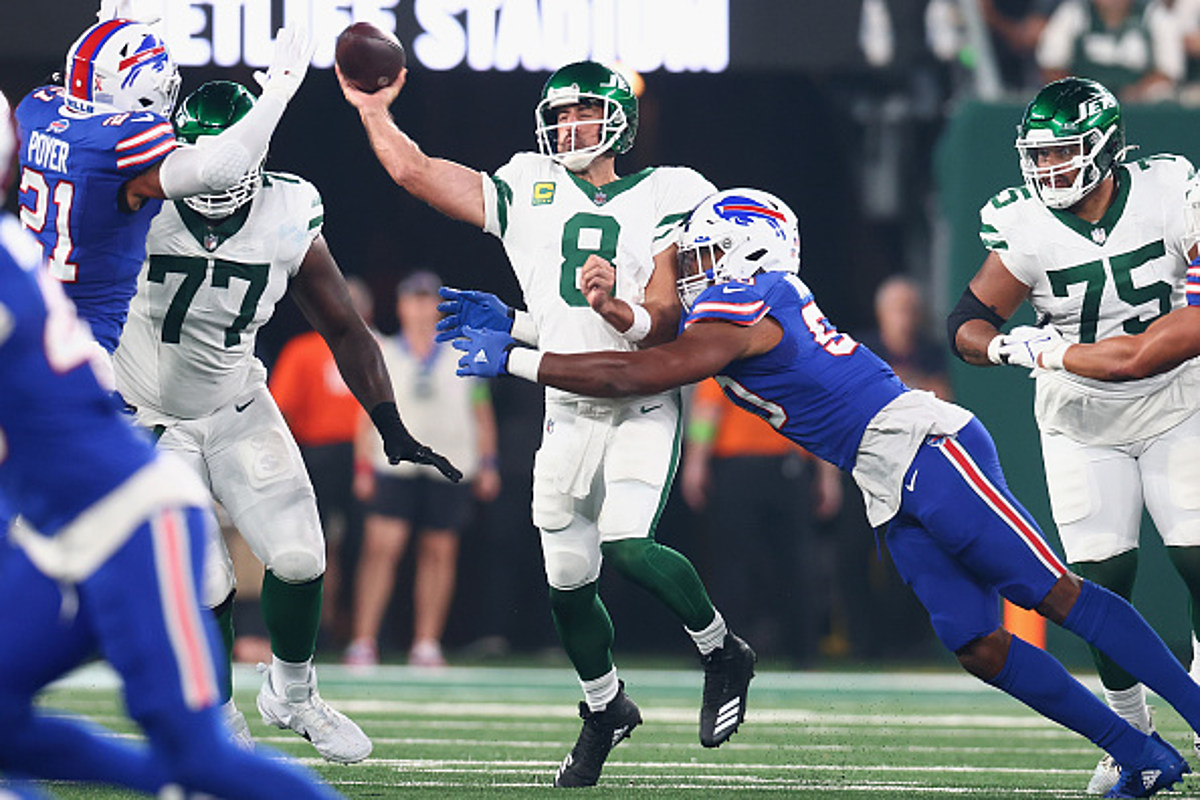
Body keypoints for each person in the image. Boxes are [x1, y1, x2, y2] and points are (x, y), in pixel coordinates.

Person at [452, 186, 1200, 799]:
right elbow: (652, 335)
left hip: (925, 447)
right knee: (975, 641)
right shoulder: (738, 301)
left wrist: (519, 360)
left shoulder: (749, 303)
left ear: (750, 252)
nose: (689, 268)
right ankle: (1140, 754)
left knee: (1054, 593)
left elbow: (637, 373)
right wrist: (544, 322)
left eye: (705, 253)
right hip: (884, 475)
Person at [338, 59, 756, 786]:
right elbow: (419, 173)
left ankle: (722, 649)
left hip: (641, 401)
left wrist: (613, 308)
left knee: (627, 545)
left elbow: (662, 321)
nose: (567, 127)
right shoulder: (527, 184)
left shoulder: (670, 192)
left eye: (582, 113)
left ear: (618, 119)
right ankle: (604, 707)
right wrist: (375, 113)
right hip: (566, 405)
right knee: (566, 578)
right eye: (558, 114)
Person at [0, 87, 340, 800]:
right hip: (81, 512)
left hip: (127, 520)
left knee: (197, 754)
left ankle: (273, 724)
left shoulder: (34, 258)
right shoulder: (48, 243)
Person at [112, 80, 461, 763]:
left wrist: (388, 421)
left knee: (301, 556)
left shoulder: (286, 207)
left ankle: (292, 694)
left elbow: (345, 325)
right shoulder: (133, 200)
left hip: (237, 403)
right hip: (146, 417)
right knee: (205, 580)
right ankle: (214, 720)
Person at [949, 75, 1200, 794]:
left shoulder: (1169, 192)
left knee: (1197, 557)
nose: (1049, 170)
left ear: (1108, 148)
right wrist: (1001, 348)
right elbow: (966, 321)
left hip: (1175, 398)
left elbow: (1150, 351)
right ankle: (1132, 735)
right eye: (1040, 156)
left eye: (1065, 154)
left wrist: (1045, 349)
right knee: (1102, 581)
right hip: (1080, 420)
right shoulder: (1023, 223)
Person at [14, 15, 311, 387]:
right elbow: (218, 170)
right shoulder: (122, 148)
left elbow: (77, 80)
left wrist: (109, 34)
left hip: (23, 320)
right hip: (80, 346)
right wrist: (278, 94)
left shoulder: (36, 111)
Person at [344, 270, 500, 668]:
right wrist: (362, 464)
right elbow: (365, 416)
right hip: (392, 465)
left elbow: (482, 412)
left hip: (449, 463)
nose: (420, 307)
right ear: (400, 306)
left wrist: (489, 462)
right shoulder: (385, 351)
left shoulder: (463, 352)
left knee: (439, 551)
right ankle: (364, 640)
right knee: (381, 550)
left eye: (427, 299)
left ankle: (426, 642)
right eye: (412, 299)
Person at [680, 378, 842, 662]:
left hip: (780, 465)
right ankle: (728, 650)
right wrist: (696, 462)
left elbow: (817, 416)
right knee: (736, 565)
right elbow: (707, 411)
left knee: (791, 563)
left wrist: (828, 476)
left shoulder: (789, 358)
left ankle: (799, 652)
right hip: (741, 465)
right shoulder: (729, 351)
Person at [270, 275, 377, 644]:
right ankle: (325, 625)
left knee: (370, 546)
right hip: (321, 457)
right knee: (320, 544)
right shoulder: (303, 351)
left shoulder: (379, 349)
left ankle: (365, 633)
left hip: (369, 458)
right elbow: (280, 411)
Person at [1037, 0, 1182, 102]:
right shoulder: (1073, 11)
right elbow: (1051, 65)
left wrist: (1134, 93)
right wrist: (1081, 95)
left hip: (1138, 102)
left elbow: (1169, 71)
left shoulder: (1154, 13)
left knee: (1161, 93)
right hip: (1082, 103)